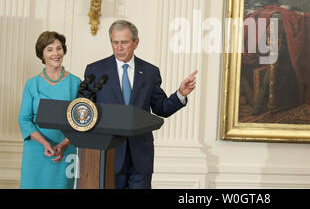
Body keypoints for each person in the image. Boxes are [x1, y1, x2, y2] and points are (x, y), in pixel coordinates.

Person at [82, 20, 197, 189]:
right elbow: (86, 110)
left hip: (140, 156)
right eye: (115, 43)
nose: (119, 47)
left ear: (136, 43)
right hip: (109, 154)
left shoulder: (150, 72)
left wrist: (180, 93)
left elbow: (161, 108)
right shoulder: (95, 70)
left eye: (124, 42)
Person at [18, 31, 81, 189]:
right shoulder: (32, 84)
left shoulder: (76, 83)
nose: (56, 53)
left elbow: (81, 121)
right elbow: (24, 120)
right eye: (50, 49)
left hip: (66, 151)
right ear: (42, 54)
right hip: (36, 152)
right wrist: (45, 143)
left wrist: (64, 145)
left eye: (59, 48)